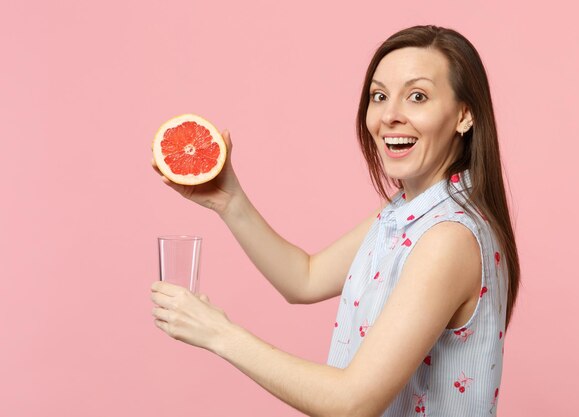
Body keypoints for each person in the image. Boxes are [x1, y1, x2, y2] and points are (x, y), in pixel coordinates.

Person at [150, 24, 520, 416]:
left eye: (417, 96)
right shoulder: (403, 214)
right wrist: (229, 201)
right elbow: (304, 278)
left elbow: (352, 403)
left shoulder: (449, 237)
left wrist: (218, 333)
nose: (390, 115)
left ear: (464, 115)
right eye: (379, 96)